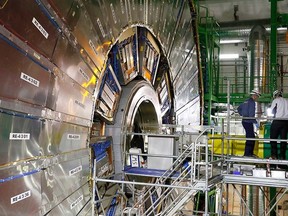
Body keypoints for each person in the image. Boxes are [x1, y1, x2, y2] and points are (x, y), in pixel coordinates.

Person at [237, 89, 261, 157]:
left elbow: (238, 109)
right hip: (249, 121)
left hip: (244, 121)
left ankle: (249, 153)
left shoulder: (245, 101)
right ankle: (248, 154)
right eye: (257, 96)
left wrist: (243, 114)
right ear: (254, 95)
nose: (257, 98)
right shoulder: (252, 102)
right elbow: (251, 114)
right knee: (251, 138)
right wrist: (256, 122)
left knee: (250, 137)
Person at [270, 90, 288, 160]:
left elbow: (272, 111)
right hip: (286, 122)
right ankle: (282, 156)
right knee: (283, 140)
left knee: (273, 139)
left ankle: (274, 155)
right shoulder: (286, 101)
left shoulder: (275, 101)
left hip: (277, 122)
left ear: (275, 95)